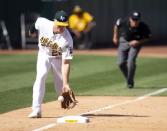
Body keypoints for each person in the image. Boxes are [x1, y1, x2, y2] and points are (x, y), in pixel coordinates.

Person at [28, 10, 74, 118]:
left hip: (58, 58)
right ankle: (36, 109)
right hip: (43, 55)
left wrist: (66, 83)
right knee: (41, 76)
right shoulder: (43, 23)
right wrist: (31, 32)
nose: (61, 28)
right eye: (59, 24)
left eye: (64, 25)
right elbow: (34, 25)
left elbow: (66, 62)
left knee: (61, 84)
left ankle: (65, 101)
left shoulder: (67, 39)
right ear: (54, 21)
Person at [112, 11, 151, 88]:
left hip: (136, 44)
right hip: (124, 41)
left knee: (131, 61)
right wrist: (115, 36)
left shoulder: (143, 26)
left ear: (139, 20)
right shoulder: (123, 21)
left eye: (137, 20)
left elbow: (148, 37)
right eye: (133, 19)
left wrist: (138, 42)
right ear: (130, 19)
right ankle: (129, 78)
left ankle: (130, 83)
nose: (135, 21)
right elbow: (116, 25)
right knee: (121, 63)